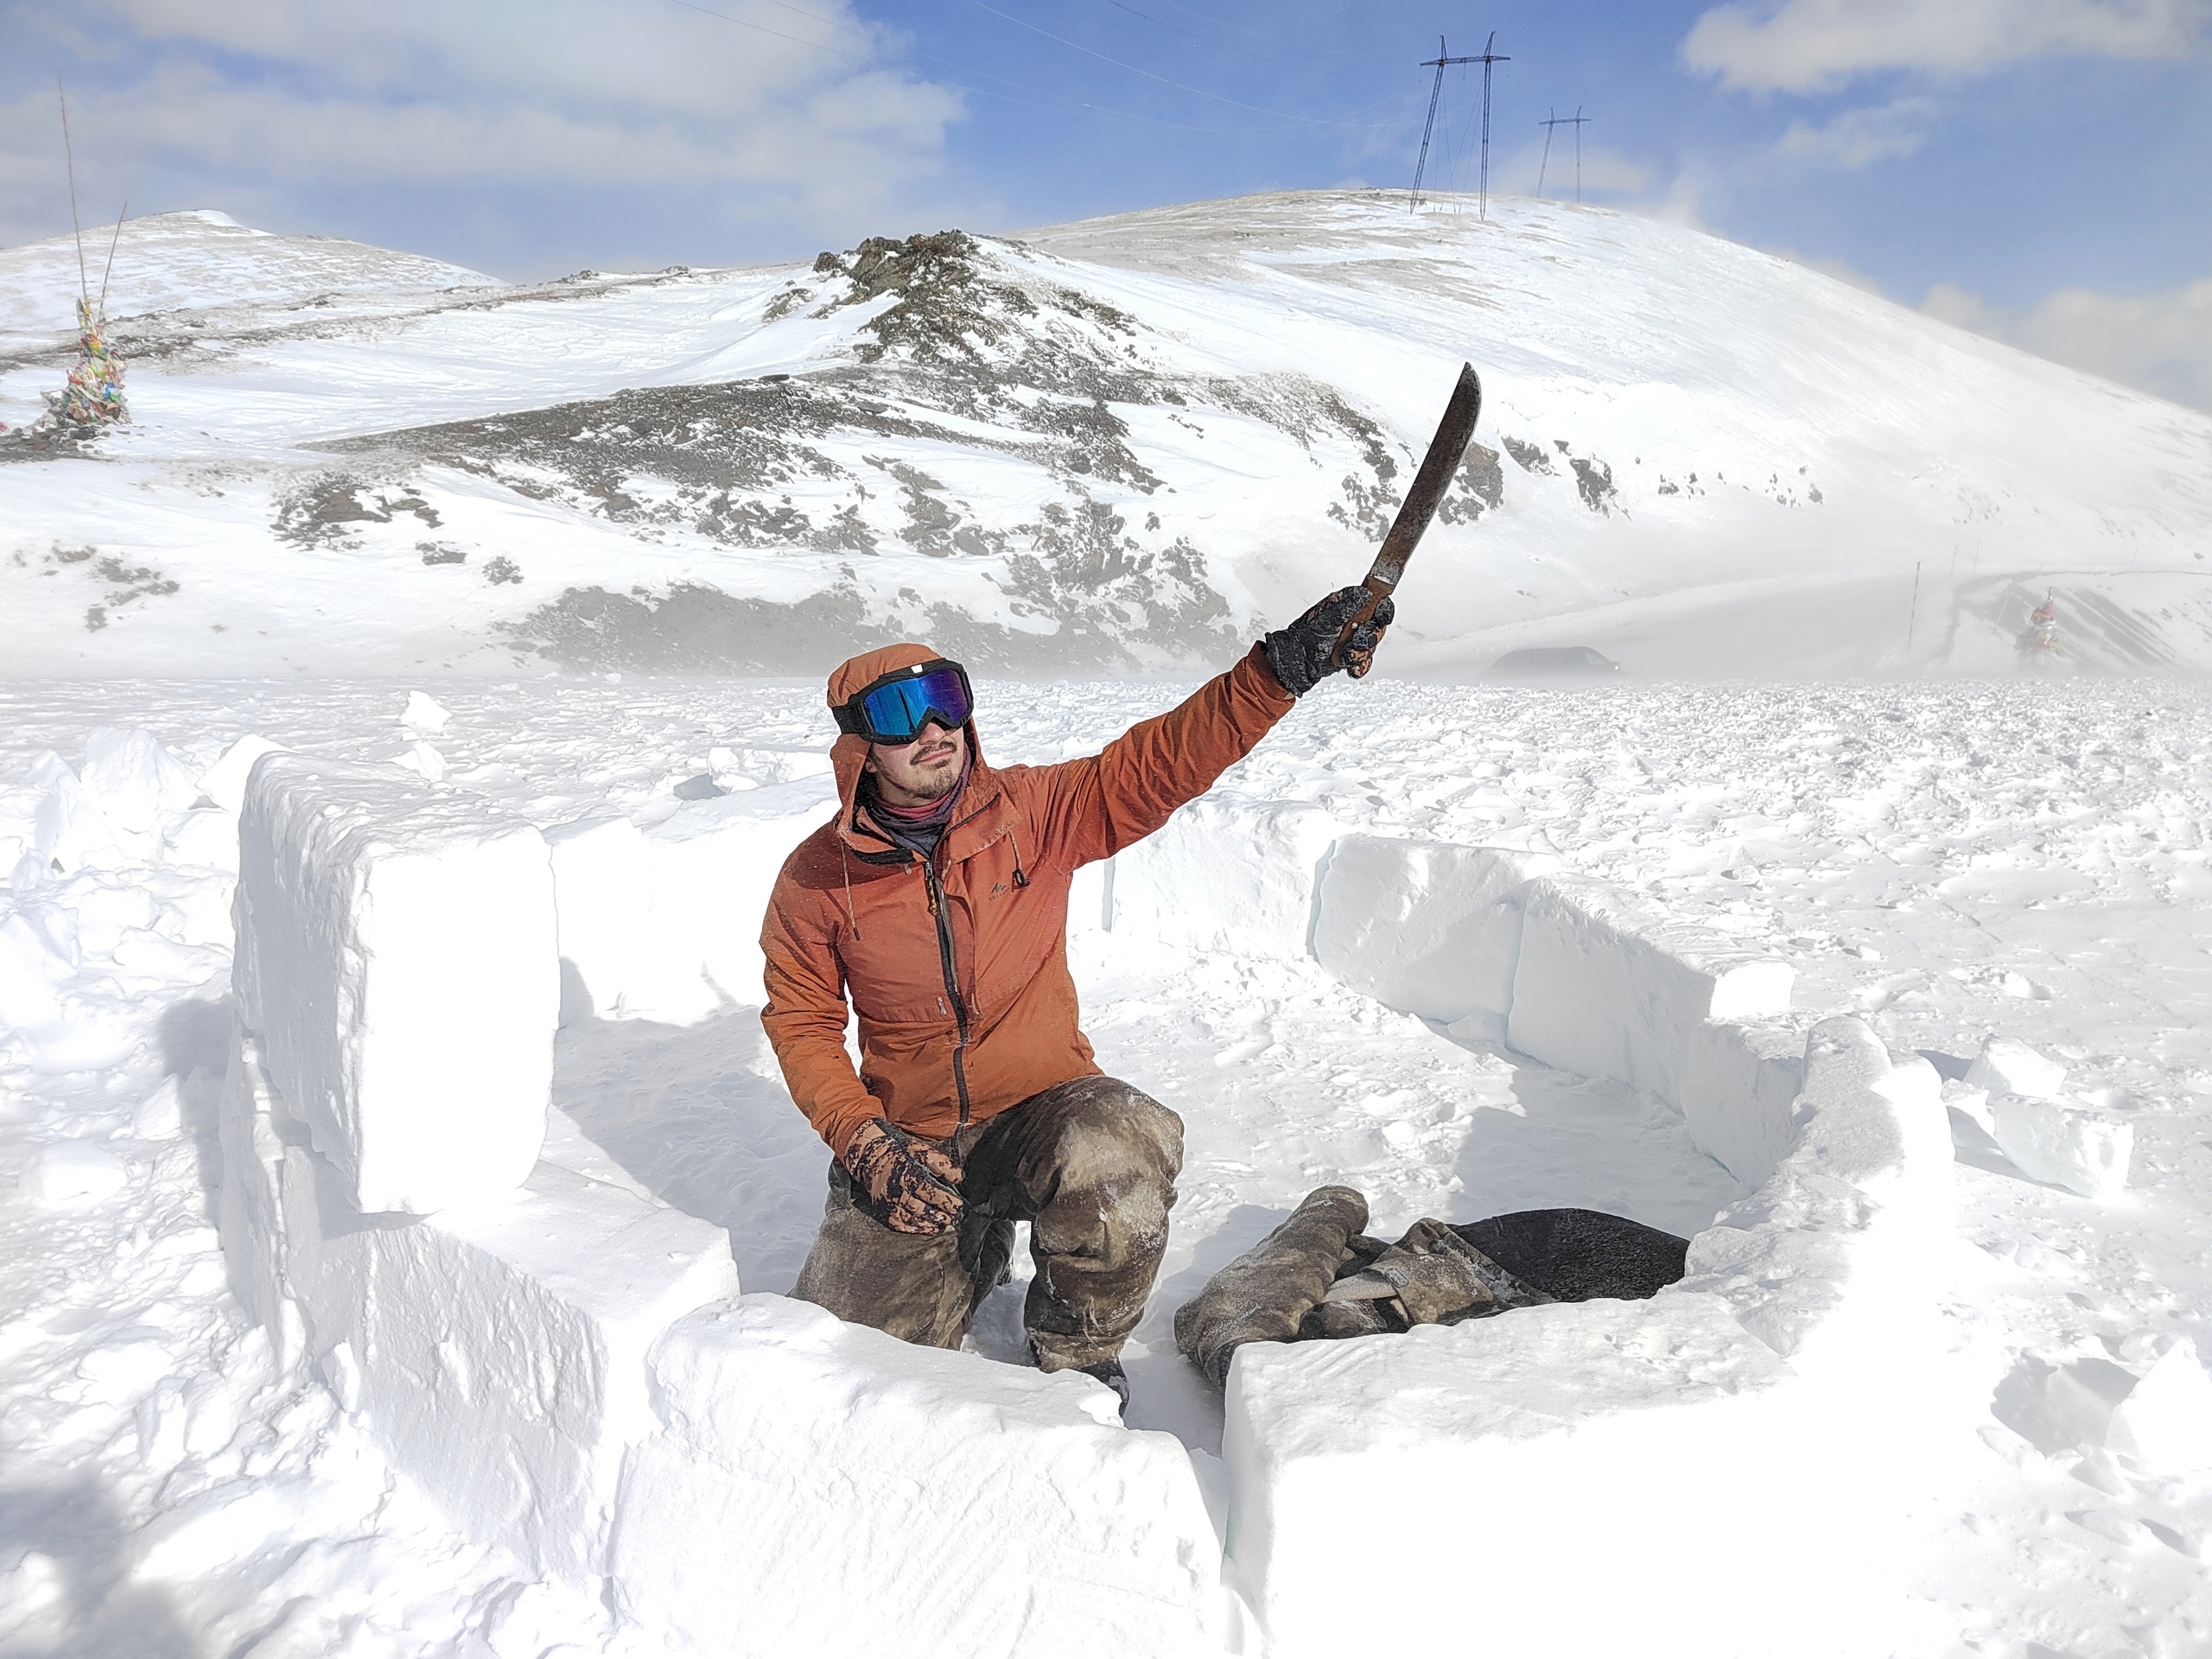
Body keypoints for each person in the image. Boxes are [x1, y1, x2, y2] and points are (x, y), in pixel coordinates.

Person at [759, 587, 1395, 1413]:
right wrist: (866, 1142)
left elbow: (1164, 759)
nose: (932, 729)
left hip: (1039, 1113)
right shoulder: (817, 879)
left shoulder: (1033, 812)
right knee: (849, 1365)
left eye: (946, 698)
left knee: (1122, 1148)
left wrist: (1280, 669)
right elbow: (802, 1023)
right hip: (911, 1143)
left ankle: (1078, 1348)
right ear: (858, 745)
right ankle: (969, 1241)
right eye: (898, 711)